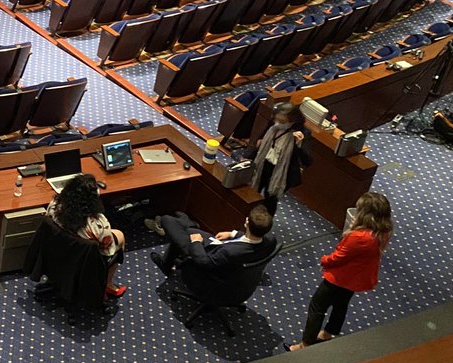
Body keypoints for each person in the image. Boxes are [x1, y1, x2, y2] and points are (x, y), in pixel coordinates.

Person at [289, 192, 393, 351]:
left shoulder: (359, 237)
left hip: (340, 278)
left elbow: (339, 257)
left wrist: (324, 260)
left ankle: (305, 344)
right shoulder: (383, 231)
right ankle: (328, 333)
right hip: (356, 278)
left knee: (317, 307)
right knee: (341, 304)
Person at [147, 206, 276, 297]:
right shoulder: (270, 241)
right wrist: (233, 234)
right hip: (224, 257)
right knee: (187, 232)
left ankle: (167, 262)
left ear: (247, 223)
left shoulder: (230, 252)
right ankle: (185, 224)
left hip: (207, 271)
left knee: (167, 221)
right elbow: (249, 238)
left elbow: (203, 262)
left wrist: (196, 243)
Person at [43, 173, 127, 298]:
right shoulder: (97, 224)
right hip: (84, 260)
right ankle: (107, 284)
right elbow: (106, 251)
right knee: (120, 236)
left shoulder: (55, 205)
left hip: (58, 252)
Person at [250, 102, 309, 215]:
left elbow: (308, 160)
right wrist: (250, 154)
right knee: (253, 192)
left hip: (281, 172)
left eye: (282, 121)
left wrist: (299, 145)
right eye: (277, 120)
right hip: (263, 164)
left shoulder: (302, 133)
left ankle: (265, 222)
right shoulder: (274, 125)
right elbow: (260, 141)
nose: (278, 123)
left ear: (293, 120)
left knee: (270, 199)